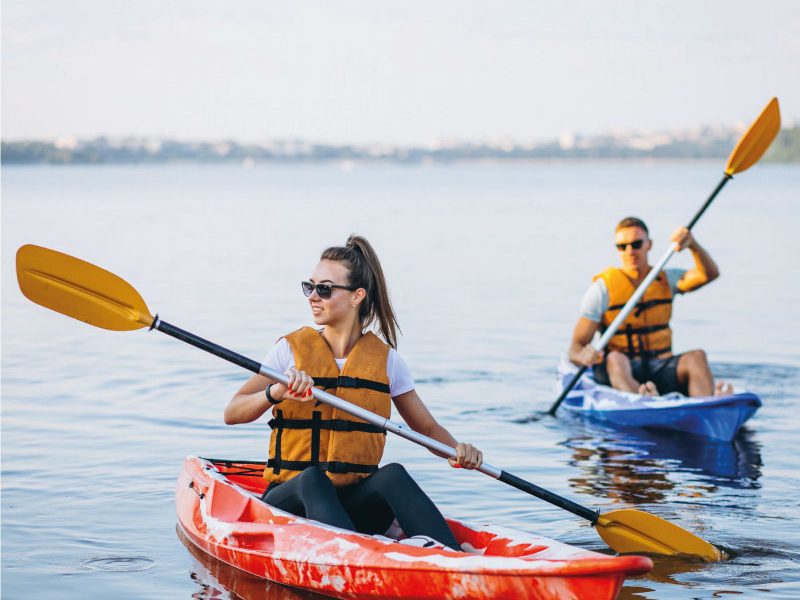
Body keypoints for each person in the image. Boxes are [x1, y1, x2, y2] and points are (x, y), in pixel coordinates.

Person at [225, 234, 482, 551]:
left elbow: (427, 429)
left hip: (354, 508)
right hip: (290, 504)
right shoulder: (287, 352)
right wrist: (275, 392)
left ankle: (456, 561)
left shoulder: (387, 361)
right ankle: (354, 557)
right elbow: (232, 412)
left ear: (357, 296)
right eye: (310, 287)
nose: (312, 297)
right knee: (313, 478)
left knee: (392, 476)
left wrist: (459, 451)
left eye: (324, 289)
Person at [568, 216, 733, 397]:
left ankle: (705, 405)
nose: (630, 251)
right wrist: (583, 356)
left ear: (649, 245)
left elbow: (709, 274)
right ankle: (642, 401)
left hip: (660, 365)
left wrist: (692, 245)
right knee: (615, 358)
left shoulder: (666, 279)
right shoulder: (601, 290)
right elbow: (575, 349)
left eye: (636, 244)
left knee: (697, 357)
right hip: (621, 370)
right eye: (622, 247)